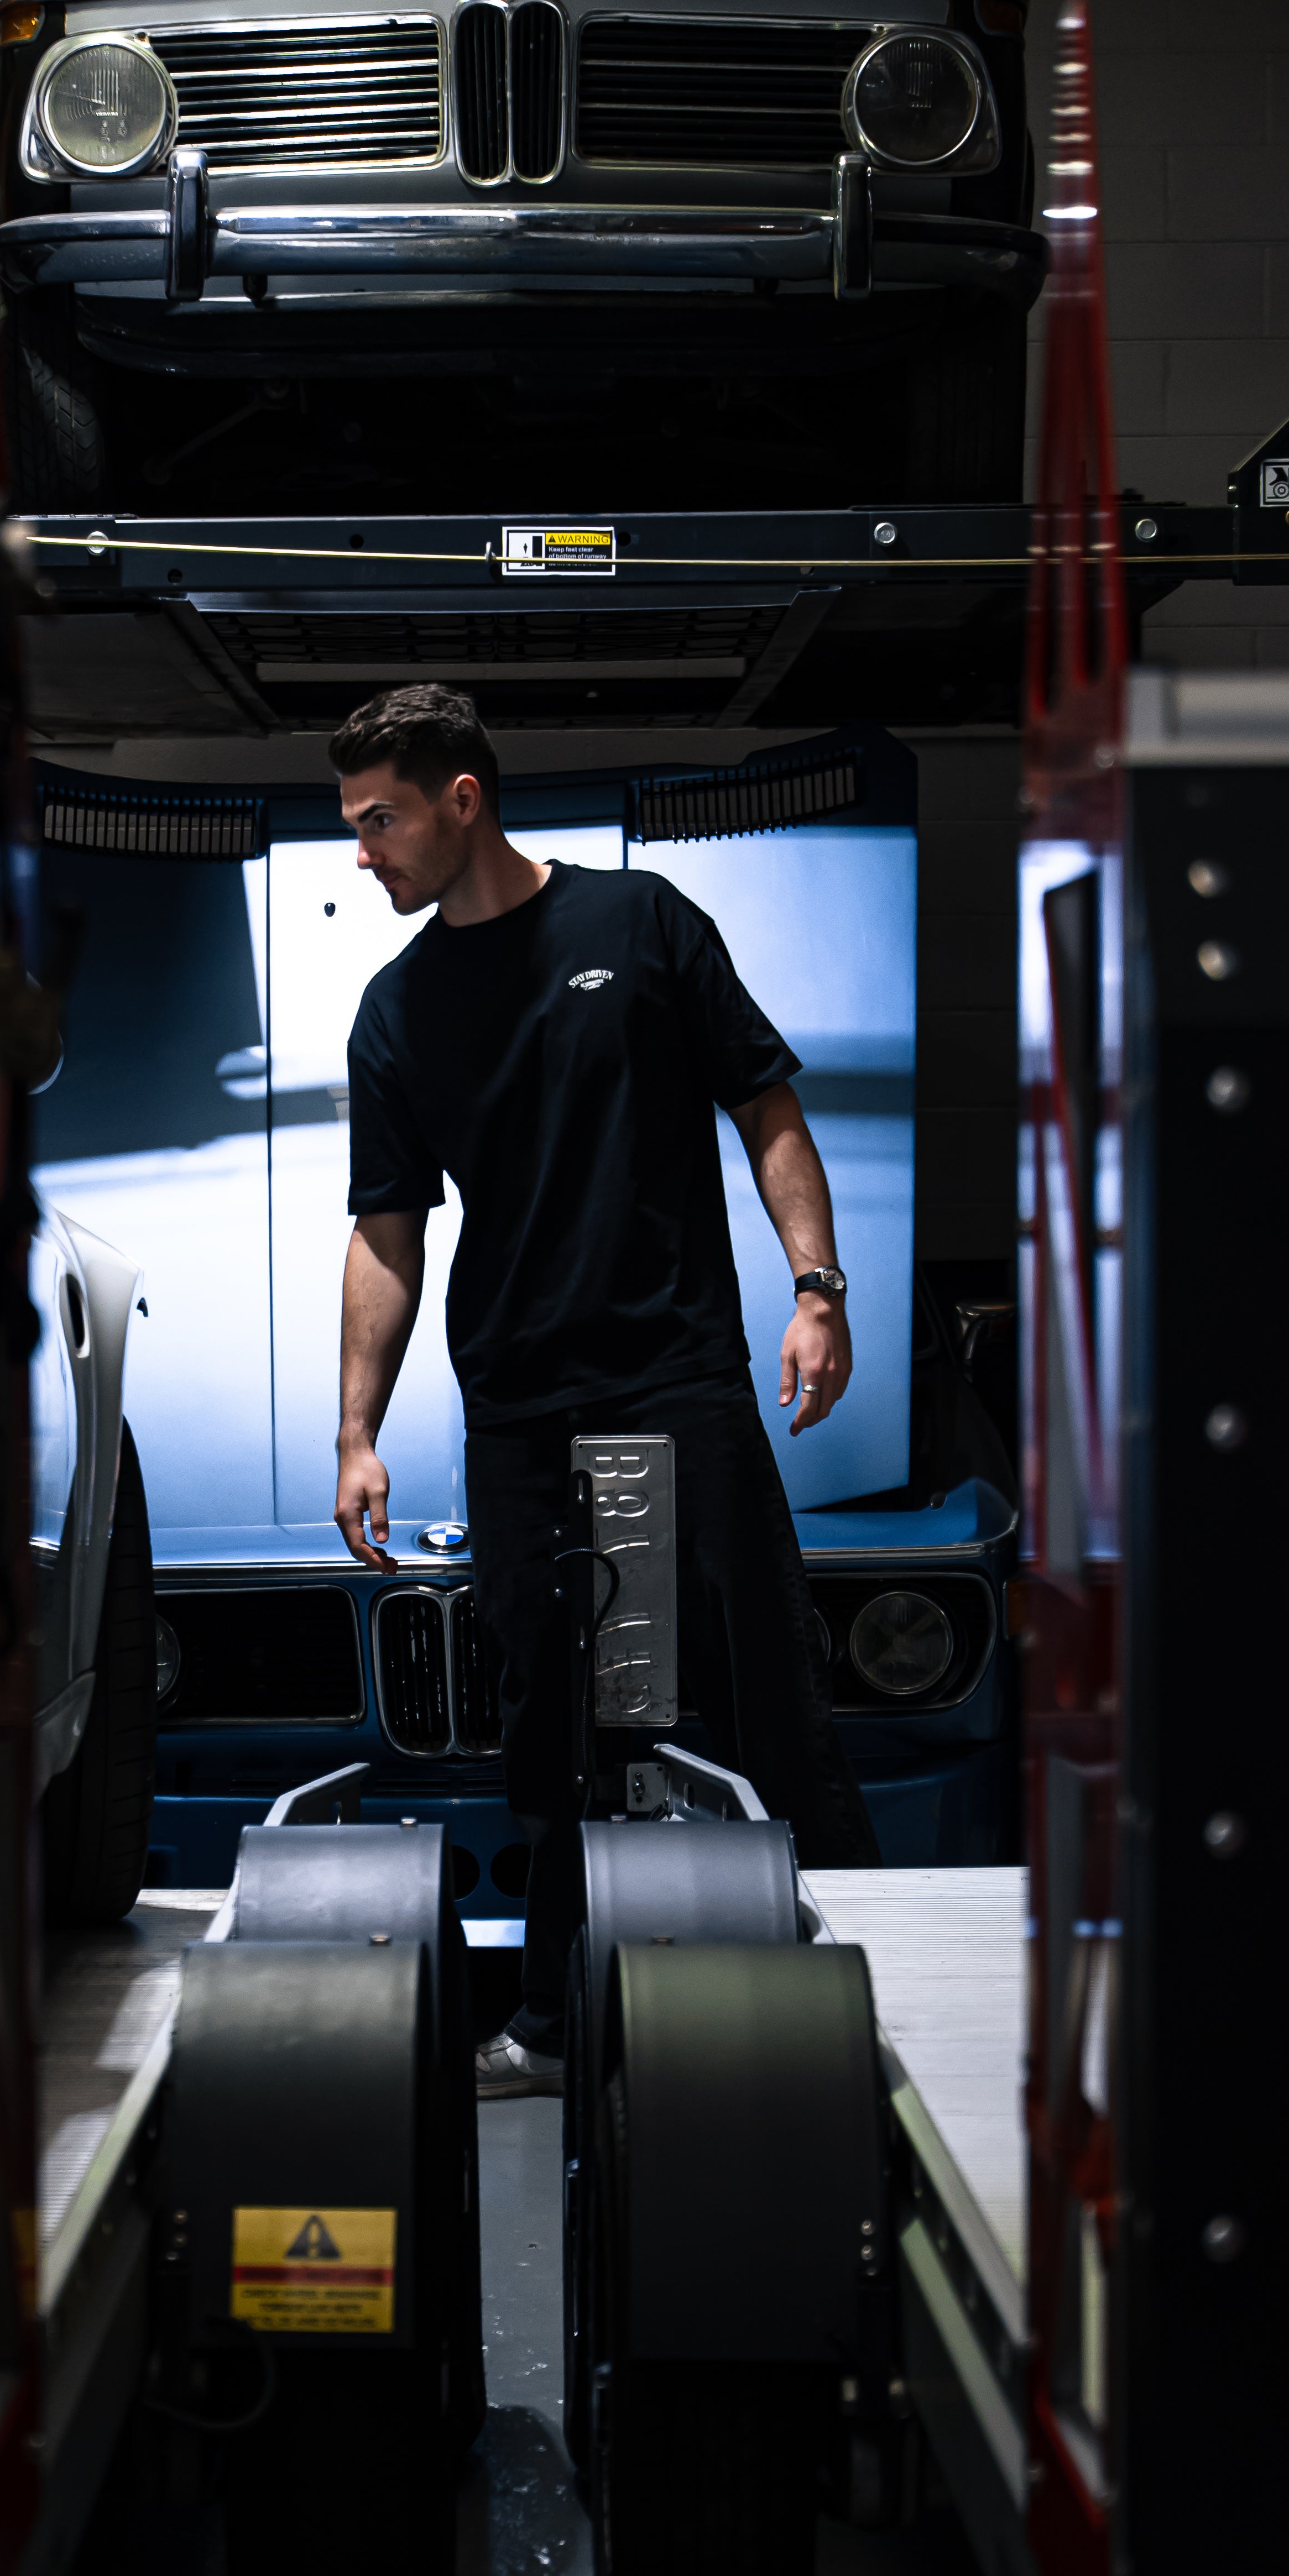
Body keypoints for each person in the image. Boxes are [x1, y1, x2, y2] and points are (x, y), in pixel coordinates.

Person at [330, 685, 881, 2099]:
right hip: (521, 1414)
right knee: (559, 1724)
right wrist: (356, 1432)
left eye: (381, 821)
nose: (364, 854)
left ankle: (835, 1989)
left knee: (742, 1689)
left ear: (463, 799)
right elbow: (388, 1232)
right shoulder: (397, 1011)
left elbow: (766, 1105)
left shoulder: (641, 926)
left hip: (672, 1379)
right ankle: (560, 2020)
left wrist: (817, 1289)